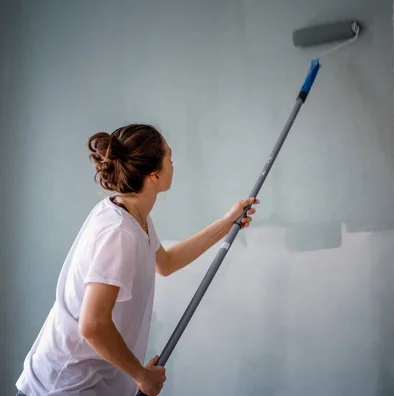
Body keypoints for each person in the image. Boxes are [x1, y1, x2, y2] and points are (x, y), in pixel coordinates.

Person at [15, 124, 258, 396]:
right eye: (170, 157)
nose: (173, 164)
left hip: (87, 384)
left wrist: (226, 223)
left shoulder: (133, 216)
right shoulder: (118, 232)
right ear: (154, 174)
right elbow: (93, 325)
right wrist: (141, 374)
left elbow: (165, 263)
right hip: (63, 387)